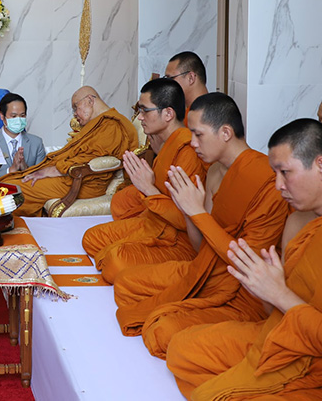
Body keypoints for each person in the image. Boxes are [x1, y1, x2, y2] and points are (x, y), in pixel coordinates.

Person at [166, 119, 322, 399]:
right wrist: (266, 288)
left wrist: (279, 293)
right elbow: (276, 314)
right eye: (275, 173)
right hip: (283, 337)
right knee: (181, 349)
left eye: (285, 173)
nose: (278, 185)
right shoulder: (300, 222)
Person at [113, 93, 288, 358]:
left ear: (225, 132)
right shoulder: (214, 170)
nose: (193, 143)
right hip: (203, 269)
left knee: (162, 331)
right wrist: (189, 212)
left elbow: (247, 263)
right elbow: (200, 247)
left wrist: (196, 211)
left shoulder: (266, 181)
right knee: (125, 284)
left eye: (198, 135)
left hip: (241, 291)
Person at [82, 78, 208, 282]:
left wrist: (148, 188)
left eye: (144, 111)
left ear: (168, 114)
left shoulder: (187, 152)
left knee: (115, 262)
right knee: (91, 239)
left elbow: (185, 219)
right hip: (154, 222)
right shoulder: (167, 143)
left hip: (178, 239)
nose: (139, 117)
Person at [0, 86, 139, 217]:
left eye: (75, 107)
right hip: (69, 177)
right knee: (10, 182)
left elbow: (89, 158)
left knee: (13, 189)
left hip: (83, 182)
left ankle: (1, 225)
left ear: (90, 101)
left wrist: (51, 170)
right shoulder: (97, 124)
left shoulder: (111, 125)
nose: (75, 114)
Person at [0, 92, 46, 179]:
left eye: (22, 115)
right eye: (13, 116)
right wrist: (10, 170)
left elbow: (42, 177)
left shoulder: (37, 143)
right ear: (2, 116)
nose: (18, 120)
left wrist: (25, 169)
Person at [164, 51, 209, 120]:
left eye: (171, 78)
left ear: (191, 78)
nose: (167, 84)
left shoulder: (210, 115)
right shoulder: (185, 114)